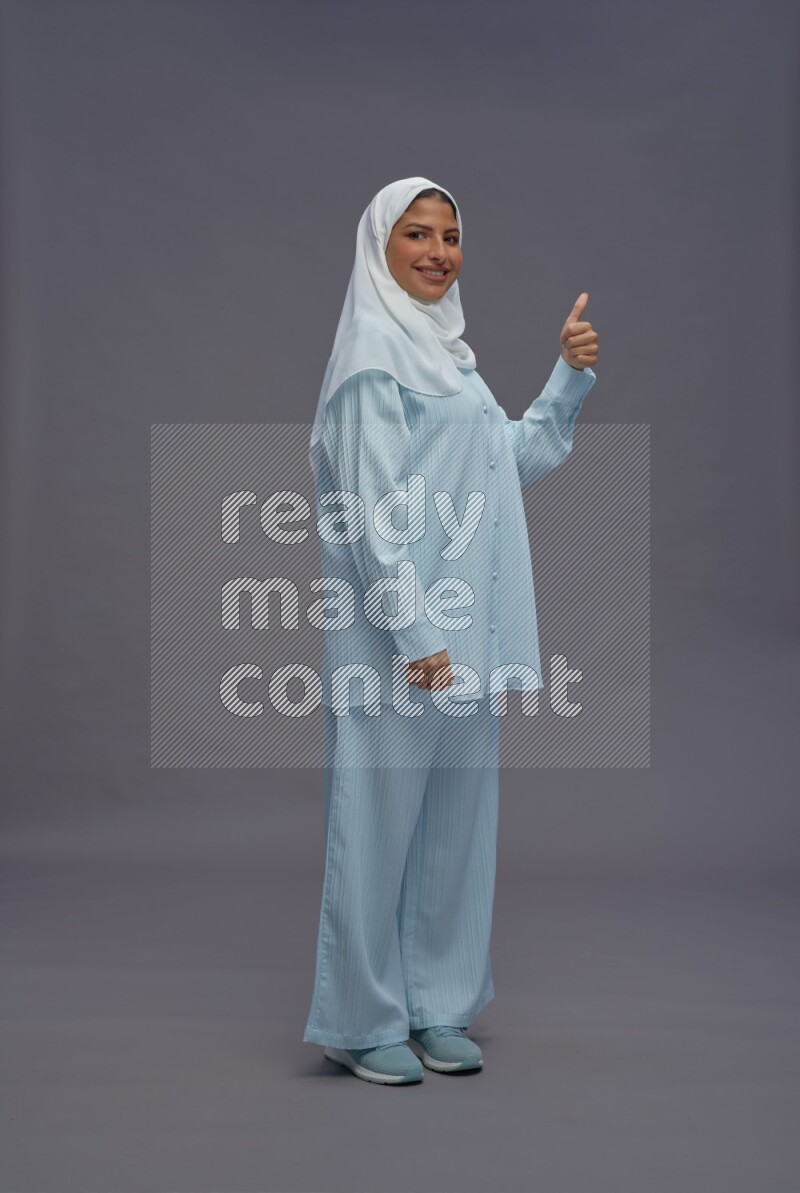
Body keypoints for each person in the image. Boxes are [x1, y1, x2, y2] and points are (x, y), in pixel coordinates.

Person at [302, 177, 599, 1085]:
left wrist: (567, 376)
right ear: (379, 248)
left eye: (451, 235)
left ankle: (438, 1003)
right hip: (401, 645)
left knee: (456, 829)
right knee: (376, 825)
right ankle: (361, 1020)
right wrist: (416, 635)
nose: (438, 252)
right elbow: (368, 515)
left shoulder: (451, 362)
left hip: (467, 637)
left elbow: (511, 462)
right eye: (417, 234)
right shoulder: (371, 362)